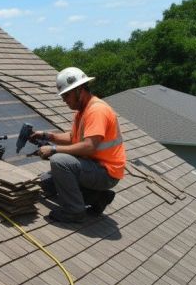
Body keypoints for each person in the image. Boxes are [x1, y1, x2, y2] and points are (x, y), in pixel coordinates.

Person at [30, 67, 125, 223]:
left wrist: (53, 150)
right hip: (92, 167)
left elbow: (89, 146)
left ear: (80, 90)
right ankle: (98, 198)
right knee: (46, 183)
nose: (64, 100)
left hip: (106, 172)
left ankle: (74, 211)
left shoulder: (96, 110)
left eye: (67, 95)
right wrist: (48, 136)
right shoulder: (82, 111)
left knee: (59, 162)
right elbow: (73, 138)